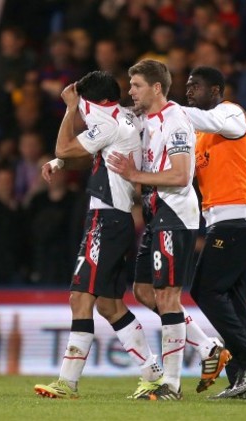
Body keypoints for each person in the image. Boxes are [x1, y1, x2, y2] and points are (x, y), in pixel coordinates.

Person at [33, 70, 163, 400]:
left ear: (96, 102)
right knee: (109, 305)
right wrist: (60, 164)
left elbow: (64, 146)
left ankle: (67, 381)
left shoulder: (107, 123)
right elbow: (89, 154)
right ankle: (152, 374)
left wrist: (69, 107)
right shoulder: (120, 119)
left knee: (80, 297)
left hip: (105, 219)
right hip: (114, 219)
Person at [107, 59, 206, 401]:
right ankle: (208, 348)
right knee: (145, 292)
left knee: (167, 296)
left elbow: (181, 176)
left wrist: (135, 176)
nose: (130, 91)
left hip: (176, 213)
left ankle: (172, 385)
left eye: (135, 85)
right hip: (157, 214)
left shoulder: (177, 122)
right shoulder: (147, 119)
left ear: (157, 88)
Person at [184, 66, 246, 398]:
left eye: (197, 86)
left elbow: (213, 121)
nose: (190, 90)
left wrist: (168, 109)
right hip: (223, 219)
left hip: (242, 215)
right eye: (188, 86)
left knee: (205, 290)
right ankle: (243, 379)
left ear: (217, 89)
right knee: (231, 297)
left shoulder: (231, 114)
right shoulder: (197, 136)